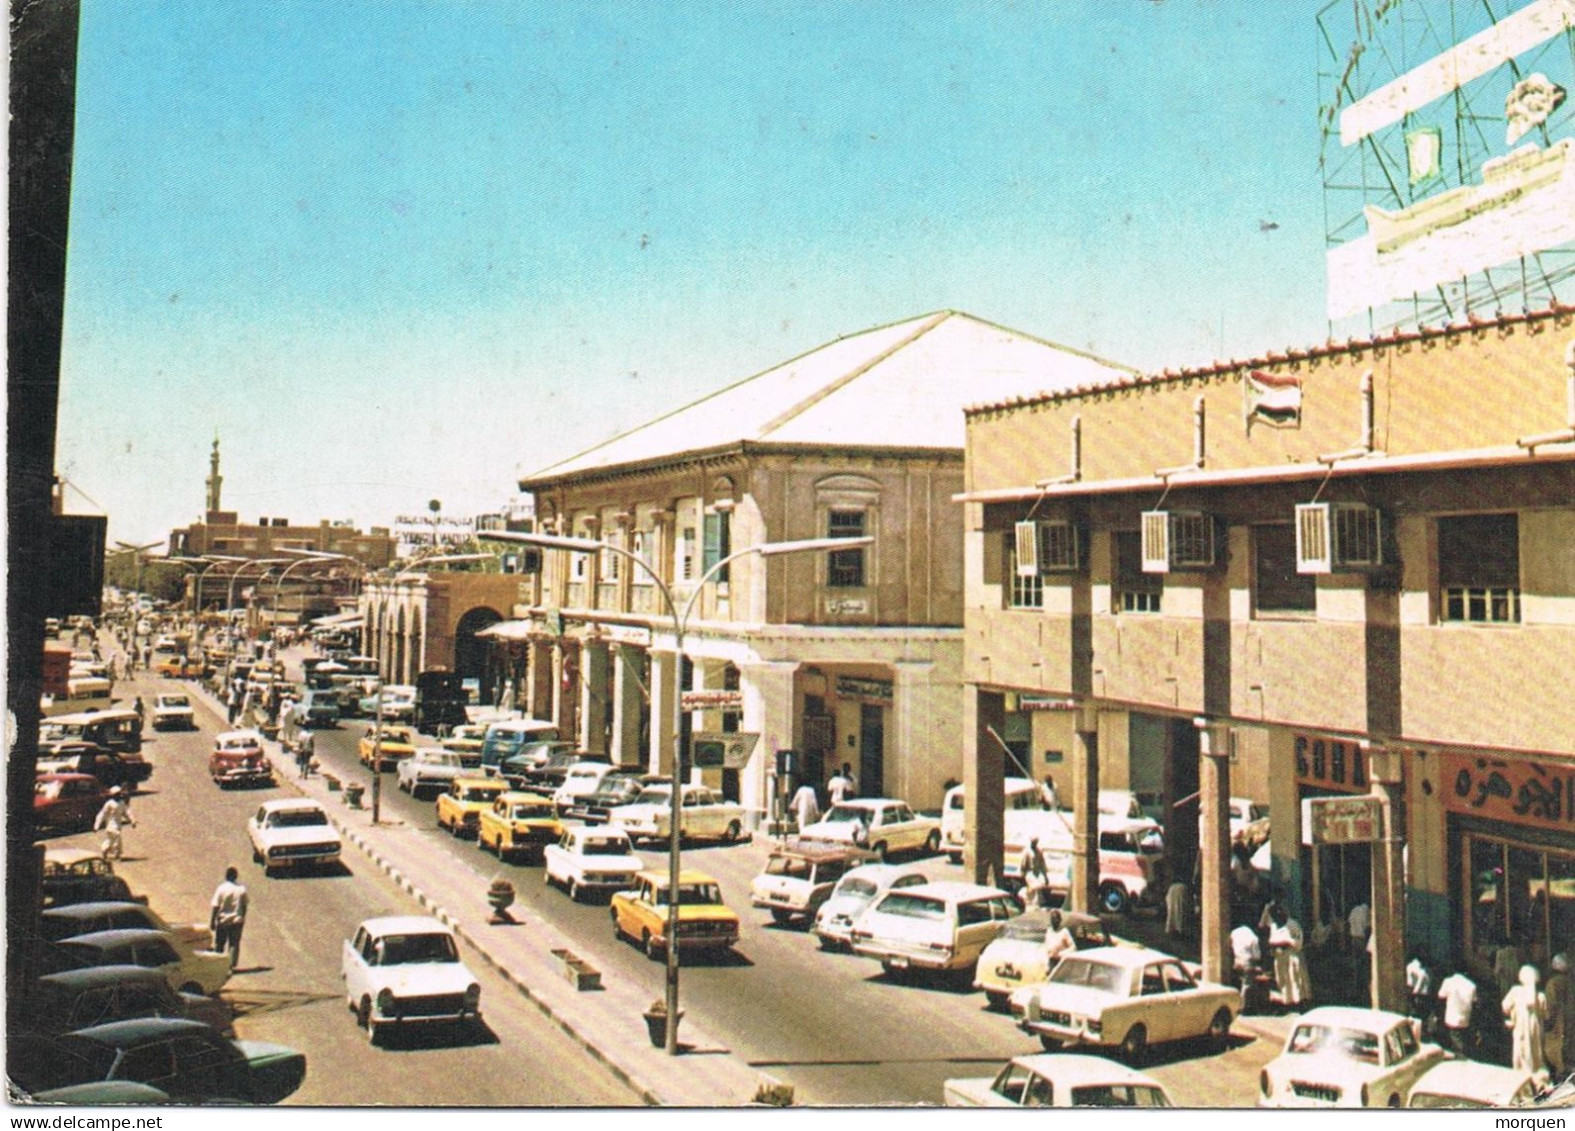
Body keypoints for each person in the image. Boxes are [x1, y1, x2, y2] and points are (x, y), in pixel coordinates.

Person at [1502, 964, 1548, 1076]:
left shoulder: (1515, 991)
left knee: (1520, 1052)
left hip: (1520, 1027)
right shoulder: (1541, 996)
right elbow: (1546, 1015)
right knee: (1535, 1052)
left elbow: (1505, 1007)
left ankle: (1522, 1077)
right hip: (1536, 1028)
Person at [1268, 904, 1312, 1010]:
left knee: (1295, 980)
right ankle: (1287, 1002)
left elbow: (1298, 941)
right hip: (1279, 958)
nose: (1276, 918)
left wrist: (1285, 943)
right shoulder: (1274, 926)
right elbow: (1271, 941)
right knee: (1282, 980)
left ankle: (1300, 1003)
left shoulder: (1293, 925)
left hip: (1292, 956)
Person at [210, 867, 249, 969]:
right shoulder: (241, 889)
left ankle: (218, 965)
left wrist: (212, 921)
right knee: (234, 944)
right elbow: (244, 906)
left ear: (226, 876)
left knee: (220, 944)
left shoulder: (221, 889)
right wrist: (242, 918)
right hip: (236, 921)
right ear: (236, 876)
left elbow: (216, 906)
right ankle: (230, 966)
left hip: (223, 921)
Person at [1436, 966, 1479, 1056]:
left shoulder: (1448, 981)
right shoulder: (1472, 985)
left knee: (1456, 1041)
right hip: (1465, 1018)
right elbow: (1475, 1002)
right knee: (1463, 1039)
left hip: (1451, 1018)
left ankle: (1461, 1057)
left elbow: (1441, 997)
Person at [94, 787, 134, 862]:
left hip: (118, 825)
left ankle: (105, 850)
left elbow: (126, 813)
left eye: (119, 794)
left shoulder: (121, 803)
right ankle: (117, 854)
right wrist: (96, 826)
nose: (119, 795)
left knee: (111, 841)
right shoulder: (109, 804)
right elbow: (102, 814)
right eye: (117, 794)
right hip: (110, 826)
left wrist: (132, 821)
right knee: (117, 838)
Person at [1546, 952, 1570, 1078]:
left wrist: (1548, 1021)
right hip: (1569, 1019)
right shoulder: (1569, 981)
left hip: (1558, 1022)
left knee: (1555, 1050)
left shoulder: (1553, 983)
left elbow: (1551, 1005)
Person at [1019, 838, 1051, 909]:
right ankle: (1030, 904)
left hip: (1037, 874)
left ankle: (1036, 905)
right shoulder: (1027, 851)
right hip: (1029, 873)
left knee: (1037, 890)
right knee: (1035, 887)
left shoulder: (1039, 851)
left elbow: (1042, 864)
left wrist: (1045, 876)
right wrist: (1022, 875)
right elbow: (1023, 864)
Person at [1406, 952, 1435, 1022]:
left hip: (1423, 996)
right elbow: (1410, 984)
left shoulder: (1426, 968)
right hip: (1418, 996)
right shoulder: (1412, 967)